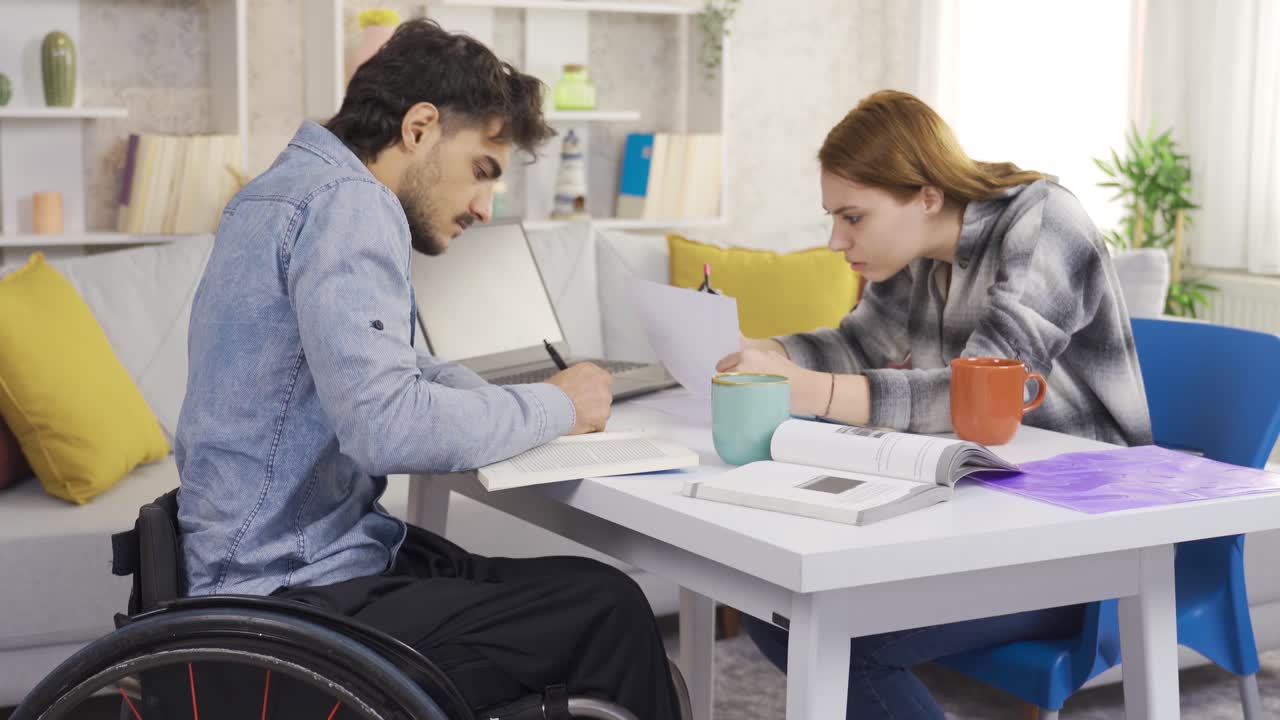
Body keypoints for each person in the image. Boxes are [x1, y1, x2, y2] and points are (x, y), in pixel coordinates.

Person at [175, 20, 680, 718]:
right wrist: (559, 407)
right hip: (288, 602)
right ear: (419, 128)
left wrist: (535, 398)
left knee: (540, 584)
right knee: (608, 606)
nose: (485, 206)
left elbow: (404, 367)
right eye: (483, 171)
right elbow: (389, 424)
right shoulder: (349, 205)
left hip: (270, 573)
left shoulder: (284, 190)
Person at [716, 89, 1154, 719]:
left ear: (925, 195)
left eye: (853, 217)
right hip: (975, 514)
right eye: (833, 218)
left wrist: (804, 390)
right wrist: (764, 352)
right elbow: (857, 342)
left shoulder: (1045, 223)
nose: (836, 240)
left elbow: (975, 398)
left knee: (835, 632)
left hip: (1077, 539)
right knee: (777, 606)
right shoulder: (918, 249)